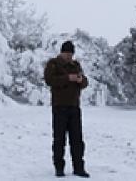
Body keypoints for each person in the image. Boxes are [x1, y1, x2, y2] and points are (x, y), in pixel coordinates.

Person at [44, 40, 90, 178]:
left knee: (77, 140)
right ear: (62, 52)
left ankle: (79, 167)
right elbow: (49, 80)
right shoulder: (53, 64)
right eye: (67, 53)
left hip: (74, 107)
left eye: (71, 53)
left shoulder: (76, 65)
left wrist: (80, 80)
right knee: (59, 139)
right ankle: (59, 168)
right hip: (59, 107)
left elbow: (85, 82)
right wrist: (67, 78)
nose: (69, 56)